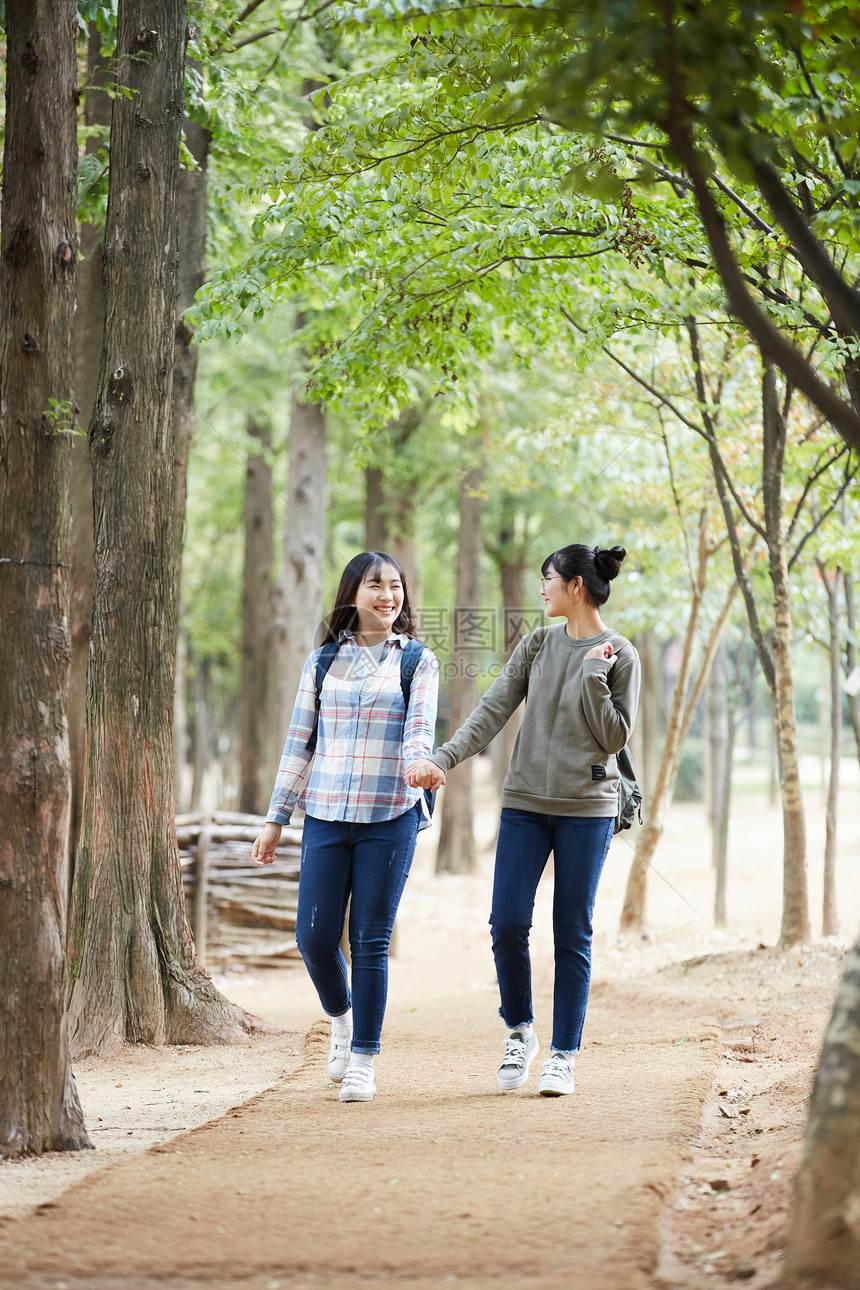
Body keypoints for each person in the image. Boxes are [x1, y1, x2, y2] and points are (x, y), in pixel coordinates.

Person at [407, 543, 640, 1097]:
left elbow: (615, 738)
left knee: (571, 930)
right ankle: (520, 1031)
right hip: (525, 804)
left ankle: (563, 1055)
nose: (542, 588)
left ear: (575, 587)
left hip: (587, 809)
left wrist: (592, 677)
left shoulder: (620, 654)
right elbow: (492, 708)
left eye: (549, 579)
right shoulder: (537, 644)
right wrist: (443, 757)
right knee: (507, 923)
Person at [253, 552, 438, 1103]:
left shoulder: (417, 661)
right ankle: (341, 1017)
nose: (388, 595)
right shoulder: (322, 662)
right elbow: (299, 744)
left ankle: (363, 1060)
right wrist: (274, 819)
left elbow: (420, 728)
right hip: (327, 815)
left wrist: (419, 763)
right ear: (352, 594)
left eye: (396, 586)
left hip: (390, 815)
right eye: (376, 585)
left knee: (370, 940)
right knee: (312, 936)